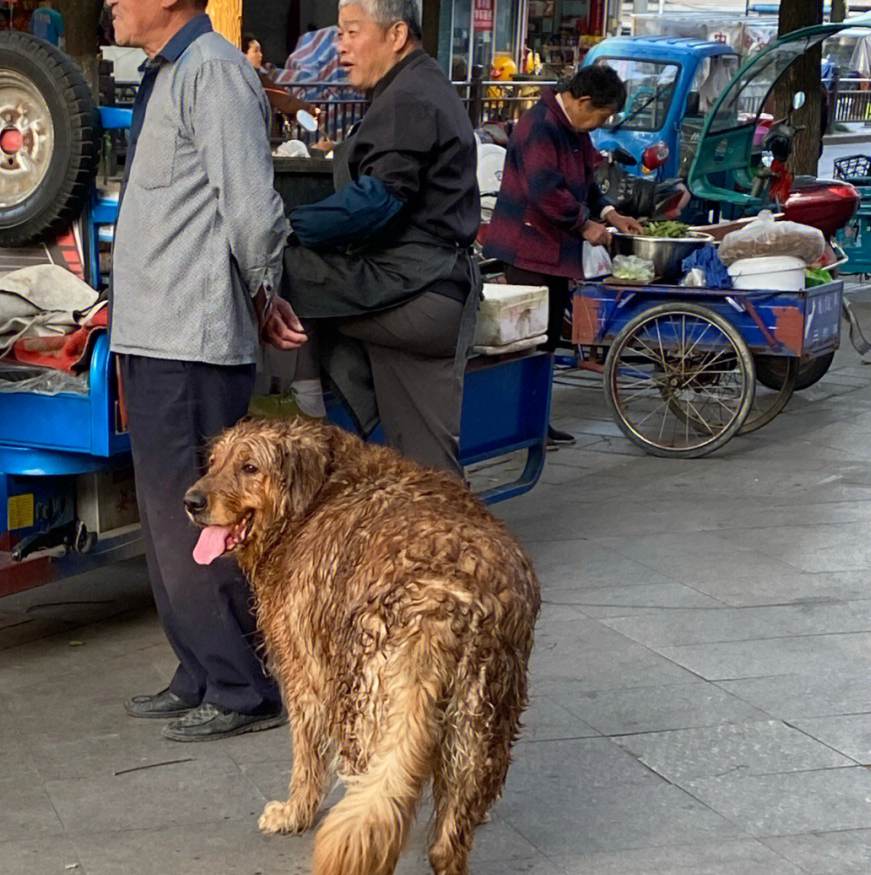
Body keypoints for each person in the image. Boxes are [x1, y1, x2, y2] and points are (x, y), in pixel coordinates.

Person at [107, 0, 305, 741]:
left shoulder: (215, 73)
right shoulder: (170, 72)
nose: (114, 4)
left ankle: (242, 684)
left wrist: (263, 289)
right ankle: (198, 669)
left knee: (203, 520)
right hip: (154, 334)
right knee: (165, 524)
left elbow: (252, 209)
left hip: (189, 341)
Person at [279, 0, 481, 477]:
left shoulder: (409, 96)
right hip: (434, 288)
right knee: (425, 466)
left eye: (351, 32)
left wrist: (288, 225)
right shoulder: (417, 83)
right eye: (339, 33)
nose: (340, 45)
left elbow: (379, 201)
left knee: (281, 267)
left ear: (396, 36)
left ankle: (309, 427)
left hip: (414, 287)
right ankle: (451, 547)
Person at [482, 63, 643, 447]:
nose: (600, 124)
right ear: (583, 100)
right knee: (528, 341)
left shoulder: (573, 131)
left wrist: (609, 214)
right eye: (601, 115)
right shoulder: (540, 125)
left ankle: (535, 422)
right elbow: (545, 191)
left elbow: (586, 184)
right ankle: (516, 424)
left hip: (554, 250)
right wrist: (584, 225)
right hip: (526, 249)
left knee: (549, 339)